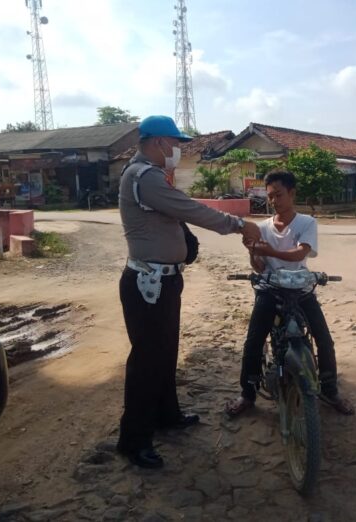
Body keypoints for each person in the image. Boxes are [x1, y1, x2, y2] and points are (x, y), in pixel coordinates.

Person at [117, 115, 261, 469]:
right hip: (148, 284)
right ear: (157, 143)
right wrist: (240, 224)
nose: (179, 150)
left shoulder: (150, 176)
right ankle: (133, 441)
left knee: (165, 355)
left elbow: (177, 214)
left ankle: (166, 415)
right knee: (147, 363)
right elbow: (190, 209)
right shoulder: (143, 176)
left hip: (162, 281)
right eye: (176, 143)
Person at [224, 170, 354, 417]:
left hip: (301, 290)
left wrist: (270, 251)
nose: (274, 201)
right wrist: (252, 251)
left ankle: (330, 390)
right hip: (270, 290)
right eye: (270, 196)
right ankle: (247, 394)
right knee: (253, 342)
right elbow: (260, 266)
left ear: (292, 193)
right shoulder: (262, 227)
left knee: (324, 340)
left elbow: (299, 254)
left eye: (279, 195)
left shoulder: (307, 223)